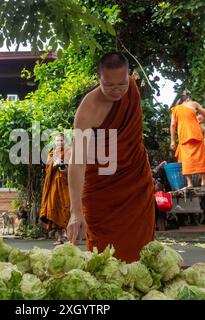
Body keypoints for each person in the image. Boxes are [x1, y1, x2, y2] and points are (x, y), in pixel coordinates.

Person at [67, 52, 155, 263]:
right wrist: (75, 212)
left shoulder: (132, 89)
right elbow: (77, 161)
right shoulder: (88, 109)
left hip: (136, 181)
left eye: (121, 84)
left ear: (129, 77)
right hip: (103, 189)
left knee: (142, 251)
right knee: (103, 257)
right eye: (109, 86)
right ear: (98, 79)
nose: (117, 91)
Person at [170, 94, 205, 188]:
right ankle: (203, 181)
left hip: (183, 136)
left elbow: (172, 125)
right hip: (196, 134)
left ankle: (189, 183)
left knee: (186, 159)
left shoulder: (175, 109)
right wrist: (198, 122)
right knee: (200, 157)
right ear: (188, 99)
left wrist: (172, 141)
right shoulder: (194, 104)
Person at [39, 134, 71, 245]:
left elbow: (72, 167)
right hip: (54, 187)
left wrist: (64, 167)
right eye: (57, 141)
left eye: (61, 140)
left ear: (64, 141)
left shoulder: (68, 152)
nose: (59, 143)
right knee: (54, 210)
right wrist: (55, 164)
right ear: (54, 142)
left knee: (66, 208)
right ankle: (59, 238)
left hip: (65, 186)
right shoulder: (51, 154)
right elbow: (48, 169)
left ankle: (70, 236)